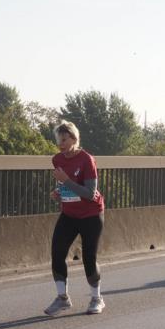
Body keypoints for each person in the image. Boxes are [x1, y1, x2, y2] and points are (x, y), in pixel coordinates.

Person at [43, 121, 106, 316]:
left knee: (89, 257)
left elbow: (89, 193)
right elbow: (67, 189)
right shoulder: (57, 160)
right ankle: (63, 298)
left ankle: (97, 298)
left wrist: (66, 181)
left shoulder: (87, 160)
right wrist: (58, 193)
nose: (61, 143)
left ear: (74, 139)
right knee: (57, 252)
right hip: (69, 214)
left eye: (65, 139)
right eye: (58, 140)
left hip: (91, 214)